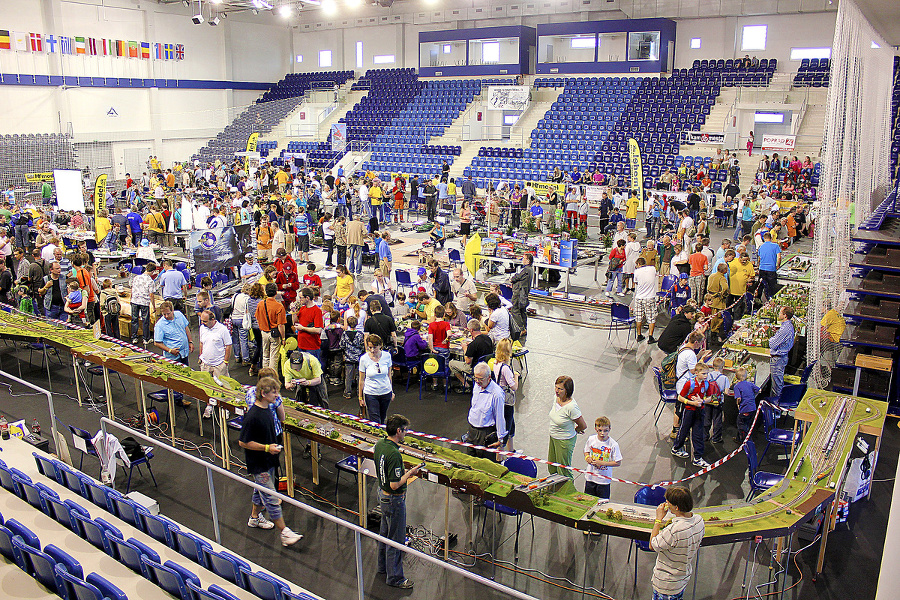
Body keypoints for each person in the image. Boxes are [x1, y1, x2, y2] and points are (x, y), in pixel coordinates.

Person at [239, 377, 304, 547]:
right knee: (271, 498)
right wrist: (267, 448)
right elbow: (243, 442)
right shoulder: (253, 416)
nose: (277, 395)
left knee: (259, 492)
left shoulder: (268, 409)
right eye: (274, 392)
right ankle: (284, 533)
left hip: (269, 460)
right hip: (259, 464)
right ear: (263, 393)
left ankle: (254, 518)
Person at [373, 414, 422, 589]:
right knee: (396, 539)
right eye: (405, 430)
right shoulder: (394, 454)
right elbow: (395, 485)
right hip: (394, 499)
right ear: (398, 431)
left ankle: (382, 568)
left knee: (384, 534)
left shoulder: (380, 444)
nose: (406, 433)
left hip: (382, 494)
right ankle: (395, 578)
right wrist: (410, 473)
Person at [649, 486, 705, 600]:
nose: (666, 504)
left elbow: (652, 545)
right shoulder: (699, 520)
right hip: (682, 579)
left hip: (666, 583)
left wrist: (658, 519)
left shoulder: (674, 530)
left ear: (676, 507)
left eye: (668, 502)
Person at [672, 361, 717, 468]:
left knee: (698, 434)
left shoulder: (707, 384)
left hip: (700, 411)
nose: (706, 376)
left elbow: (711, 397)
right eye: (704, 374)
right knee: (684, 430)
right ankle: (676, 448)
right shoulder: (689, 383)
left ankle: (697, 458)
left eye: (707, 373)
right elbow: (680, 397)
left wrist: (702, 401)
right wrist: (692, 403)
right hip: (688, 411)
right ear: (696, 373)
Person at [465, 363, 507, 460]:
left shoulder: (497, 394)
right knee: (469, 461)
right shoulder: (477, 386)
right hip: (472, 431)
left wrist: (500, 439)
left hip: (486, 434)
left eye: (481, 379)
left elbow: (500, 417)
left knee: (484, 465)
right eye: (476, 378)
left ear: (489, 377)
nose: (477, 381)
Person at [548, 375, 587, 479]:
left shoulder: (571, 407)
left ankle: (569, 491)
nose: (557, 391)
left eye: (560, 389)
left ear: (567, 390)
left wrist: (576, 430)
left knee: (563, 471)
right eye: (556, 387)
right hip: (553, 437)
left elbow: (583, 425)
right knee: (552, 467)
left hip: (564, 440)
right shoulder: (556, 399)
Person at [583, 416, 622, 500]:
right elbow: (586, 451)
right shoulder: (591, 439)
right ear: (595, 429)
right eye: (600, 430)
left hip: (603, 481)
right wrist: (587, 458)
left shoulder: (613, 444)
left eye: (605, 431)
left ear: (609, 429)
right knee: (588, 501)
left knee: (602, 503)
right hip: (590, 478)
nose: (602, 433)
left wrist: (602, 463)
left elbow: (618, 462)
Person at [358, 334, 394, 424]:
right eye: (370, 347)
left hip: (385, 392)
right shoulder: (364, 359)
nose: (372, 350)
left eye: (374, 347)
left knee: (382, 418)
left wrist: (391, 391)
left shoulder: (387, 356)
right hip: (370, 393)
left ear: (380, 346)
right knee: (375, 421)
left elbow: (389, 375)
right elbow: (361, 380)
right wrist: (360, 397)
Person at [450, 319, 494, 390]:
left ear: (471, 330)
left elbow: (467, 361)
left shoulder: (473, 344)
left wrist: (465, 348)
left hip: (475, 367)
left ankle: (465, 384)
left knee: (451, 363)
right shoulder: (488, 338)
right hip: (487, 365)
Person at [492, 339, 519, 452]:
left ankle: (511, 450)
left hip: (499, 396)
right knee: (507, 426)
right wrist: (516, 376)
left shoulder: (495, 363)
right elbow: (514, 387)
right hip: (507, 401)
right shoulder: (506, 368)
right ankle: (500, 455)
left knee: (510, 424)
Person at [256, 283, 285, 370]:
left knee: (265, 355)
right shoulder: (279, 306)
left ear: (266, 292)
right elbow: (280, 325)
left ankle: (265, 374)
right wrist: (283, 338)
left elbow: (257, 317)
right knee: (274, 356)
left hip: (264, 332)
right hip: (274, 334)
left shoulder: (260, 304)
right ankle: (272, 376)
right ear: (276, 293)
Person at [154, 301, 193, 366]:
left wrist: (190, 341)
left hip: (184, 352)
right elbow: (157, 343)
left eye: (168, 313)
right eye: (164, 314)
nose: (166, 316)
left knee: (186, 372)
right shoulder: (160, 325)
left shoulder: (179, 315)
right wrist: (170, 350)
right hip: (173, 358)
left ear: (172, 311)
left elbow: (186, 328)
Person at [769, 306, 795, 402]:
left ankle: (776, 408)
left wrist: (771, 338)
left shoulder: (785, 329)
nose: (778, 314)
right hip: (781, 358)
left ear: (785, 315)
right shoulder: (787, 326)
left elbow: (772, 344)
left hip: (778, 360)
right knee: (776, 384)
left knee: (777, 386)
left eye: (780, 312)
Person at [633, 257, 658, 343]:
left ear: (638, 264)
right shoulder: (652, 269)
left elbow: (636, 282)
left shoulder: (636, 272)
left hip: (639, 297)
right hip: (649, 297)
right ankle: (650, 337)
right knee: (651, 318)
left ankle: (639, 335)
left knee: (638, 317)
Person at [704, 357, 728, 445]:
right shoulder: (724, 378)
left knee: (706, 418)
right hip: (717, 401)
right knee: (717, 419)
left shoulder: (708, 375)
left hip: (708, 399)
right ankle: (716, 438)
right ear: (723, 367)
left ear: (713, 366)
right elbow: (726, 391)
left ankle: (705, 436)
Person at [340, 316, 365, 399]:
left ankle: (347, 392)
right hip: (358, 358)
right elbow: (362, 345)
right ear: (357, 323)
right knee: (359, 376)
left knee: (348, 376)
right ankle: (359, 392)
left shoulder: (344, 334)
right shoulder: (360, 334)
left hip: (348, 357)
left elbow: (342, 345)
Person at [733, 366, 760, 443]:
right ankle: (738, 439)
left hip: (745, 409)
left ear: (736, 376)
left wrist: (738, 404)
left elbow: (738, 398)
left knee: (741, 425)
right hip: (752, 408)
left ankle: (746, 441)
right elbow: (759, 390)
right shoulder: (750, 384)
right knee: (746, 423)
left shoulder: (737, 386)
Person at [509, 253, 533, 337]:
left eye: (524, 258)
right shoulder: (530, 269)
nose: (522, 260)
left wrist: (512, 279)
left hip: (519, 293)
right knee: (522, 310)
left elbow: (517, 277)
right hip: (523, 293)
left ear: (528, 261)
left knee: (515, 310)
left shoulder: (526, 270)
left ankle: (521, 328)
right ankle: (524, 328)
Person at [757, 232, 781, 299]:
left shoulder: (761, 247)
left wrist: (759, 265)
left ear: (764, 238)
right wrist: (778, 265)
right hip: (771, 270)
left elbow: (759, 258)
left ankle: (757, 301)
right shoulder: (775, 246)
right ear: (771, 238)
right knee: (771, 287)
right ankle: (770, 300)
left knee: (760, 286)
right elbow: (779, 257)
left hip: (762, 269)